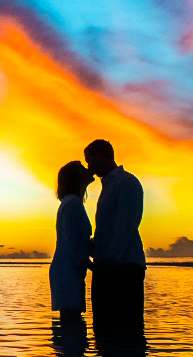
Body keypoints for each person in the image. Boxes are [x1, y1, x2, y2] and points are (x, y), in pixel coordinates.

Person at [84, 139, 146, 331]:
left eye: (90, 161)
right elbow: (109, 229)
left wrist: (108, 261)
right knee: (105, 328)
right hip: (110, 265)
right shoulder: (110, 185)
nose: (90, 168)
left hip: (123, 267)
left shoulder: (125, 183)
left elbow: (125, 226)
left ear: (100, 156)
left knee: (125, 327)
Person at [50, 161, 94, 326]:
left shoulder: (72, 203)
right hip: (67, 271)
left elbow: (77, 240)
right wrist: (94, 267)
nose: (87, 169)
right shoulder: (72, 203)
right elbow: (72, 241)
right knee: (71, 327)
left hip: (68, 270)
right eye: (82, 168)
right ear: (76, 177)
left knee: (71, 325)